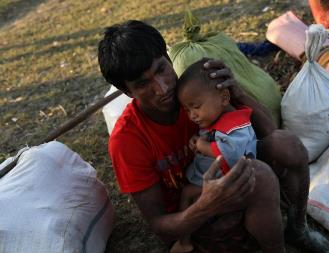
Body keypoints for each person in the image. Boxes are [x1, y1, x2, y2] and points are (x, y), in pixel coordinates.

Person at [98, 20, 312, 252]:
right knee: (259, 175)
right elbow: (159, 225)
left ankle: (298, 229)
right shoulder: (127, 140)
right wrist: (206, 206)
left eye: (161, 69)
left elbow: (270, 133)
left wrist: (237, 94)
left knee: (287, 144)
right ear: (127, 92)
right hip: (193, 216)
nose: (162, 88)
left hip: (224, 176)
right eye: (142, 84)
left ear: (169, 59)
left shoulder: (195, 90)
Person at [170, 58, 285, 253]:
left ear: (224, 98)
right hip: (225, 176)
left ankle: (184, 242)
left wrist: (202, 145)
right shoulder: (222, 118)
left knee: (187, 194)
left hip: (230, 180)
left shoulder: (235, 126)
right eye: (187, 110)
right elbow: (214, 138)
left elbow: (230, 153)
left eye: (196, 107)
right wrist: (198, 141)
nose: (192, 115)